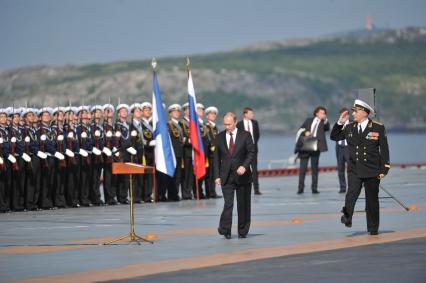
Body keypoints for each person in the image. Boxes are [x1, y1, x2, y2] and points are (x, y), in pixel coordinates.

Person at [330, 99, 390, 235]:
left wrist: (384, 168)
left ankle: (373, 227)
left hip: (372, 169)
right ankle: (347, 216)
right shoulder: (349, 127)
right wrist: (340, 122)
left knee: (372, 200)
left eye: (355, 111)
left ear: (364, 112)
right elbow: (334, 136)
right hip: (354, 168)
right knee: (351, 194)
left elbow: (384, 149)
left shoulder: (377, 127)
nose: (353, 114)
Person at [215, 112, 255, 239]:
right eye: (225, 124)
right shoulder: (219, 137)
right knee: (228, 203)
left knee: (243, 204)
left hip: (243, 175)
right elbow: (215, 158)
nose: (226, 127)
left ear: (235, 122)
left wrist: (244, 166)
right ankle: (225, 229)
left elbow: (251, 152)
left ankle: (242, 231)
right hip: (226, 176)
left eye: (229, 124)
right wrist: (216, 176)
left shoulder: (245, 135)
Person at [295, 106, 330, 194]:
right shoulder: (308, 120)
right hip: (305, 147)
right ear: (317, 113)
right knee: (303, 169)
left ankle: (314, 188)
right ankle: (300, 188)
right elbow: (300, 129)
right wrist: (305, 132)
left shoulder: (323, 122)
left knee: (315, 169)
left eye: (324, 113)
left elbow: (327, 127)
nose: (323, 114)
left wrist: (325, 119)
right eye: (322, 113)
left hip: (316, 147)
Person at [237, 107, 261, 195]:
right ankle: (243, 187)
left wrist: (252, 145)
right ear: (245, 114)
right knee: (243, 168)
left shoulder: (255, 123)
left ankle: (256, 189)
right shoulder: (239, 124)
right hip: (243, 151)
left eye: (252, 113)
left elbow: (257, 135)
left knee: (254, 169)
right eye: (251, 113)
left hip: (253, 149)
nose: (252, 115)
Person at [335, 107, 350, 193]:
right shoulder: (338, 124)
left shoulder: (352, 123)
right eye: (341, 115)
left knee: (351, 169)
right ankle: (342, 187)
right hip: (339, 148)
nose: (343, 116)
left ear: (348, 115)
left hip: (348, 148)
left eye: (345, 115)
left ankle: (352, 186)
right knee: (340, 169)